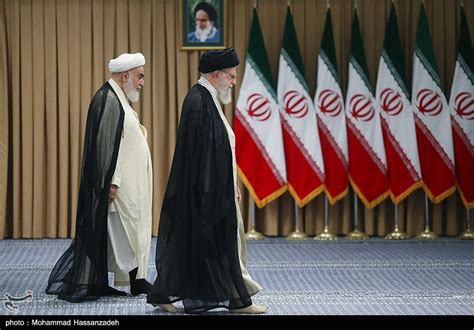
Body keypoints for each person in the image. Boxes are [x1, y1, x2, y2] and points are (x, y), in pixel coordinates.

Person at [147, 48, 267, 314]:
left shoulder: (208, 97)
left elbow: (218, 149)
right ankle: (237, 301)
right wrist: (210, 192)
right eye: (232, 77)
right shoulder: (199, 101)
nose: (234, 82)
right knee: (204, 244)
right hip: (206, 192)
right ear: (216, 74)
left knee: (202, 246)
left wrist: (229, 182)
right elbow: (197, 156)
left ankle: (167, 295)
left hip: (214, 189)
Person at [45, 53, 153, 303]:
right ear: (125, 75)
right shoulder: (108, 99)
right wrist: (110, 182)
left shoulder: (119, 98)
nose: (141, 82)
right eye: (139, 76)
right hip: (119, 186)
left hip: (129, 185)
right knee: (124, 234)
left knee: (120, 235)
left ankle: (110, 281)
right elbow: (104, 146)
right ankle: (134, 281)